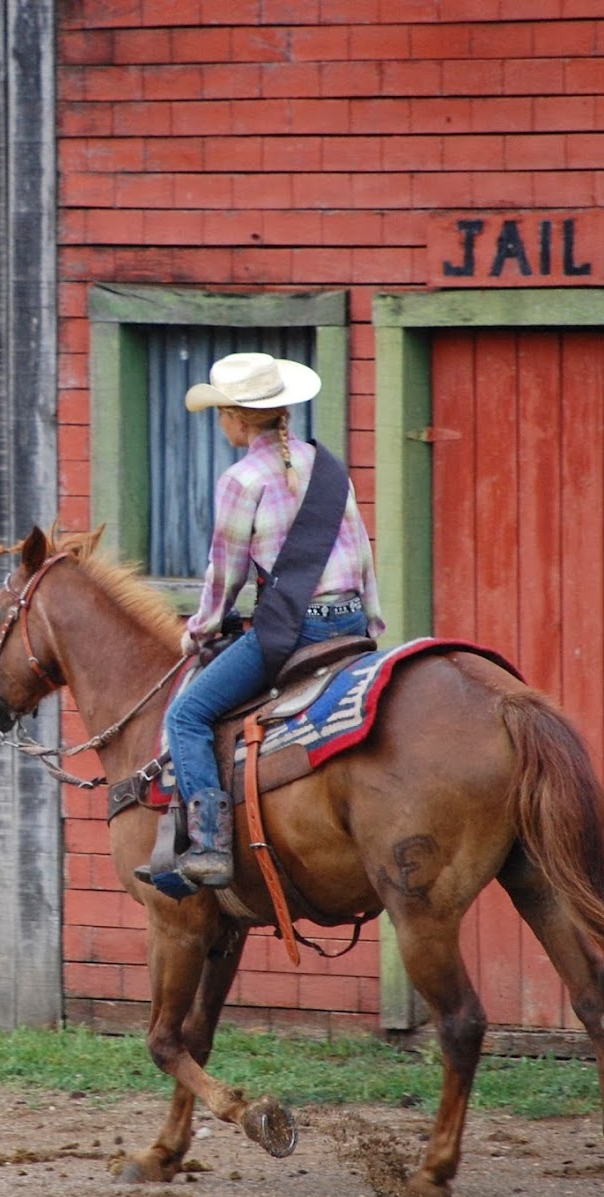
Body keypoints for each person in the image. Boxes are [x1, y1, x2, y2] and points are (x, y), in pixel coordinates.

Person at [155, 352, 385, 894]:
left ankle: (209, 846)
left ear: (236, 418)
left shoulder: (241, 480)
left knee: (186, 715)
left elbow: (225, 575)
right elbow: (362, 557)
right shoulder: (329, 468)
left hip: (294, 632)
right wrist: (370, 628)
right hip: (351, 622)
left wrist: (200, 630)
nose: (221, 423)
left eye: (221, 413)